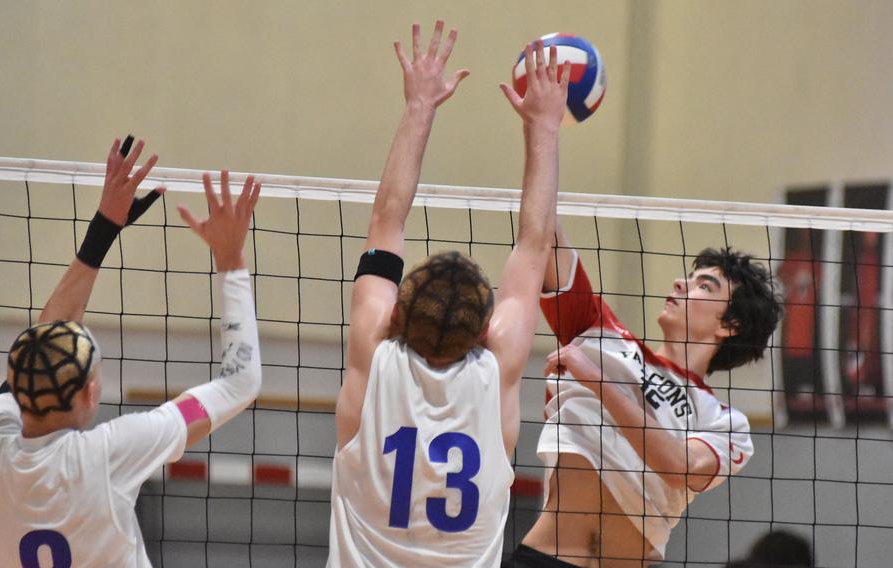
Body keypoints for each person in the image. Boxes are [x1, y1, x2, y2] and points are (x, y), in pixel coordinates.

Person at [328, 21, 570, 567]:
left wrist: (420, 106)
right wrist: (545, 128)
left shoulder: (373, 350)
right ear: (485, 328)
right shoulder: (498, 365)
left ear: (397, 310)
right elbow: (535, 245)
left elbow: (385, 218)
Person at [0, 138, 263, 567]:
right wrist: (231, 258)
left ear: (18, 393)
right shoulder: (111, 455)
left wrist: (104, 227)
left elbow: (44, 342)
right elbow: (239, 382)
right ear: (89, 395)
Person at [509, 229, 783, 566]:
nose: (680, 283)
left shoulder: (726, 422)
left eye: (704, 286)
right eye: (689, 277)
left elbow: (679, 467)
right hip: (546, 559)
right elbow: (542, 233)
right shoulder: (599, 334)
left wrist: (599, 382)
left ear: (730, 324)